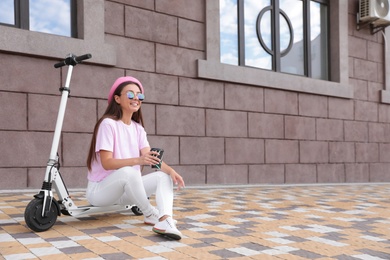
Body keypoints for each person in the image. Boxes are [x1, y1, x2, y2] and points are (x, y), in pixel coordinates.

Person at [86, 76, 185, 240]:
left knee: (163, 176)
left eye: (140, 95)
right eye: (130, 95)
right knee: (129, 172)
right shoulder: (108, 124)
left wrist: (171, 171)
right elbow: (107, 163)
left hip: (125, 193)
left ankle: (165, 219)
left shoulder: (138, 128)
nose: (136, 99)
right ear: (117, 99)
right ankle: (150, 213)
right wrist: (138, 160)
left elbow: (151, 158)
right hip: (100, 192)